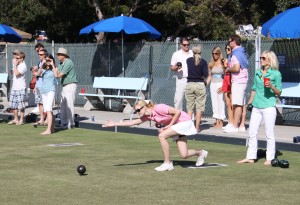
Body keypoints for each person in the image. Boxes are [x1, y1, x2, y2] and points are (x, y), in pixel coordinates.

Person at [102, 100, 208, 172]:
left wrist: (169, 125)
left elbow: (177, 112)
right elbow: (132, 122)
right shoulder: (148, 117)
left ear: (146, 106)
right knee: (184, 155)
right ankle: (201, 153)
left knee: (162, 136)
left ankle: (167, 163)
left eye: (139, 110)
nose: (138, 112)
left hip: (184, 122)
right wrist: (115, 123)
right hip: (177, 126)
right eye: (136, 111)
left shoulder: (159, 108)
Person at [238, 50, 282, 166]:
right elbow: (254, 89)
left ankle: (270, 158)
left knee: (269, 133)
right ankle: (250, 157)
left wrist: (272, 86)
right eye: (261, 58)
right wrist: (249, 102)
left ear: (269, 60)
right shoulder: (258, 72)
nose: (261, 60)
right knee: (252, 132)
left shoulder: (276, 74)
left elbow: (279, 92)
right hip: (256, 106)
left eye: (263, 58)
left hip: (269, 106)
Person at [224, 34, 249, 133]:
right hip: (241, 80)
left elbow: (237, 68)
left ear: (234, 41)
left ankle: (235, 126)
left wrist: (228, 69)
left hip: (239, 81)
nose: (228, 43)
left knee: (237, 104)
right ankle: (239, 125)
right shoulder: (240, 52)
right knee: (240, 103)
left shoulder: (236, 54)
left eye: (230, 41)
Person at [185, 44, 208, 132]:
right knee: (199, 107)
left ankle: (188, 126)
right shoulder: (203, 62)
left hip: (190, 83)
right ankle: (197, 126)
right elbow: (205, 74)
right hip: (199, 84)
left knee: (189, 107)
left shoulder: (188, 60)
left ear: (192, 51)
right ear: (200, 51)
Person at [53, 47, 78, 129]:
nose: (58, 56)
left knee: (69, 104)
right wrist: (53, 66)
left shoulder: (68, 62)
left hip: (70, 85)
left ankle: (71, 123)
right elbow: (56, 72)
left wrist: (55, 70)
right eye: (58, 55)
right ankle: (64, 123)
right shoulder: (61, 64)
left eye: (59, 55)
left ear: (64, 55)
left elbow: (58, 75)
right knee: (63, 105)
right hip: (64, 86)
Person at [170, 37, 193, 110]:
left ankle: (190, 119)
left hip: (191, 79)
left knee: (191, 101)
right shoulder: (176, 54)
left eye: (188, 44)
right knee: (178, 100)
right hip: (181, 79)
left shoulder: (192, 53)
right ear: (181, 45)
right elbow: (172, 67)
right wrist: (177, 66)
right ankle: (179, 118)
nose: (187, 46)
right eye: (185, 44)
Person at [206, 47, 226, 128]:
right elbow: (210, 76)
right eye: (213, 53)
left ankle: (221, 120)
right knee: (214, 102)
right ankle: (216, 120)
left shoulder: (223, 63)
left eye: (216, 53)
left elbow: (225, 76)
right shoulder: (211, 64)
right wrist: (205, 84)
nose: (215, 55)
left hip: (221, 83)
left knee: (221, 102)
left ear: (219, 53)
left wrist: (224, 86)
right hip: (213, 84)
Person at [37, 54, 56, 135]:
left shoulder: (54, 69)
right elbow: (38, 74)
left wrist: (52, 65)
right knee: (48, 110)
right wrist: (42, 65)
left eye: (49, 60)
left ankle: (48, 130)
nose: (47, 62)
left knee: (48, 109)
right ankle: (52, 128)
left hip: (50, 90)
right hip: (44, 91)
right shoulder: (44, 69)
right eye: (46, 60)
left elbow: (56, 75)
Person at [8, 52, 27, 125]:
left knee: (21, 105)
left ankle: (21, 119)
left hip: (21, 87)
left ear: (22, 59)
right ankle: (15, 119)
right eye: (15, 58)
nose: (16, 59)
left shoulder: (23, 66)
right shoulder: (17, 65)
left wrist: (15, 65)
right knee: (14, 105)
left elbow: (16, 73)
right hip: (14, 87)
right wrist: (15, 66)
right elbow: (13, 72)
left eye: (17, 58)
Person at [33, 48, 47, 126]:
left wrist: (37, 73)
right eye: (38, 54)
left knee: (45, 103)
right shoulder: (40, 63)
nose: (39, 56)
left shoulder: (46, 63)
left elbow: (40, 74)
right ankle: (41, 119)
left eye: (41, 54)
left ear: (45, 55)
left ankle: (47, 119)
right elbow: (37, 76)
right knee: (40, 103)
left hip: (44, 86)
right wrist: (35, 86)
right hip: (38, 85)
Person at [221, 44, 234, 130]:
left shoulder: (233, 59)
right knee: (228, 104)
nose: (227, 50)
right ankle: (230, 122)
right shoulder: (226, 59)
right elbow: (224, 71)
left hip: (232, 81)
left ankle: (233, 122)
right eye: (226, 48)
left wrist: (227, 65)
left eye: (229, 48)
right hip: (226, 80)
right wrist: (224, 65)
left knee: (233, 104)